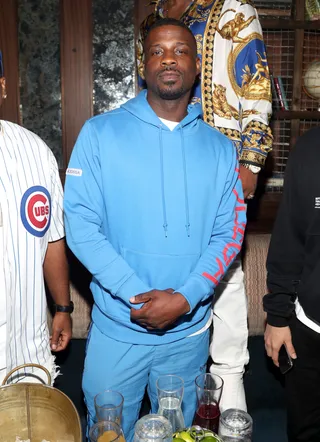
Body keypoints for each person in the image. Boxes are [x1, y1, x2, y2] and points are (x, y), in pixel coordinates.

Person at [64, 19, 246, 441]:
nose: (169, 59)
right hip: (118, 328)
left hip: (188, 334)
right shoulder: (99, 134)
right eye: (158, 51)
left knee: (178, 434)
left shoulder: (220, 149)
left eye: (180, 50)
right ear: (143, 64)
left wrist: (184, 298)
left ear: (196, 65)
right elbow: (81, 225)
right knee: (108, 433)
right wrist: (135, 292)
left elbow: (231, 232)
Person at [137, 0, 273, 411]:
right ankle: (168, 407)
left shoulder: (233, 8)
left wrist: (249, 163)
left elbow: (257, 87)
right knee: (169, 274)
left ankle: (231, 406)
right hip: (163, 169)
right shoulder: (155, 15)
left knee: (225, 281)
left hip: (220, 169)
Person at [0, 50, 72, 385]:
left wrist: (63, 307)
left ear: (2, 86)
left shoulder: (34, 151)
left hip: (26, 351)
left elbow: (53, 239)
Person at [264, 127, 320, 442]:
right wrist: (276, 316)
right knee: (303, 433)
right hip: (310, 331)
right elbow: (289, 241)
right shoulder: (310, 148)